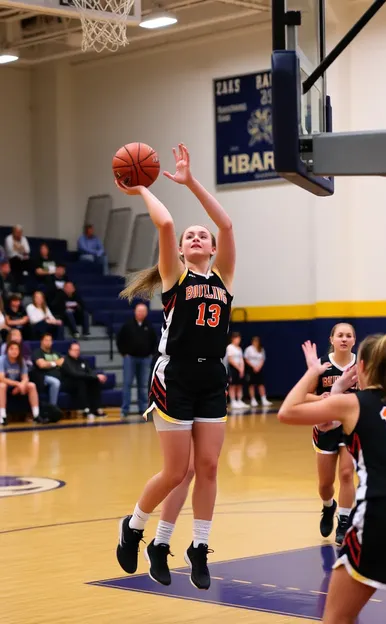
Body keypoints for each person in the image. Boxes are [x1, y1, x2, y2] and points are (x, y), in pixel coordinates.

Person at [115, 143, 235, 591]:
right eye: (191, 237)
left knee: (207, 467)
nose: (198, 237)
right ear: (182, 252)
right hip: (176, 376)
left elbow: (225, 222)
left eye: (203, 236)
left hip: (212, 377)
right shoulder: (175, 277)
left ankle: (198, 547)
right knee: (175, 471)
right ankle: (134, 525)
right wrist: (144, 186)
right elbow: (165, 222)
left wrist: (192, 182)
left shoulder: (223, 277)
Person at [278, 333, 386, 624]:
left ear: (361, 366)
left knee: (336, 619)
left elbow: (287, 412)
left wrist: (315, 373)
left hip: (381, 516)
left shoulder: (353, 403)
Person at [302, 323, 357, 546]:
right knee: (325, 484)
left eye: (349, 336)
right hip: (325, 428)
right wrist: (321, 399)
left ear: (354, 340)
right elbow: (304, 395)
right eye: (340, 335)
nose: (344, 339)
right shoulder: (322, 365)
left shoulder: (360, 366)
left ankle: (343, 522)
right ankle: (328, 506)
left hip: (350, 428)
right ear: (332, 339)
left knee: (346, 474)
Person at [116, 303, 158, 417]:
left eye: (143, 311)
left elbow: (155, 342)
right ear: (135, 312)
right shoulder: (128, 325)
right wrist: (124, 353)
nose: (141, 313)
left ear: (146, 313)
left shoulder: (149, 326)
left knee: (144, 385)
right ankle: (125, 409)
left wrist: (151, 354)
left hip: (145, 359)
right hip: (130, 358)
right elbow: (119, 339)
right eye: (139, 311)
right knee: (127, 384)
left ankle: (143, 408)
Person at [61, 342, 106, 417]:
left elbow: (90, 371)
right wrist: (93, 376)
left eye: (78, 350)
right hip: (69, 383)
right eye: (74, 350)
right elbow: (74, 374)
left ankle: (96, 408)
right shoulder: (66, 361)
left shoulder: (82, 360)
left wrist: (96, 377)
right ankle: (86, 409)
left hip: (82, 380)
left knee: (94, 381)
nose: (76, 352)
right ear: (69, 351)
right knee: (81, 382)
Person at [0, 341, 40, 426]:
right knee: (2, 386)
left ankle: (36, 415)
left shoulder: (21, 360)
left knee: (32, 385)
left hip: (17, 386)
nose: (14, 351)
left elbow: (25, 377)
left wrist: (22, 384)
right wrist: (17, 384)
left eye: (16, 349)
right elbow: (1, 378)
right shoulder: (2, 360)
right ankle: (2, 416)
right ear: (7, 350)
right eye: (12, 349)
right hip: (6, 386)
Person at [32, 333, 63, 406]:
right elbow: (42, 365)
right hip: (44, 377)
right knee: (55, 382)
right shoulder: (37, 352)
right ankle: (53, 407)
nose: (48, 342)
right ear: (41, 341)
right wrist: (55, 363)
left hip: (59, 375)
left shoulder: (56, 353)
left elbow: (63, 362)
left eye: (50, 340)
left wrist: (49, 363)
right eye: (46, 340)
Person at [244, 336, 272, 408]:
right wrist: (253, 366)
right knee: (252, 384)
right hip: (251, 369)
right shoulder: (249, 349)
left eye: (257, 341)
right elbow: (246, 359)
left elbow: (262, 359)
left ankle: (263, 399)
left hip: (259, 369)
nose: (256, 343)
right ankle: (253, 400)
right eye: (254, 341)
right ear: (252, 342)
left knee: (261, 384)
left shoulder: (261, 349)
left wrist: (259, 366)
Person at [225, 332, 248, 409]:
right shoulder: (230, 347)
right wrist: (238, 368)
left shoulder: (239, 348)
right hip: (233, 368)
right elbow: (230, 359)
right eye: (236, 338)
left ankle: (239, 400)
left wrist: (242, 369)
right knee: (233, 385)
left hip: (240, 369)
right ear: (233, 339)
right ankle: (233, 401)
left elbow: (241, 359)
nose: (238, 340)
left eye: (239, 338)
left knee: (240, 385)